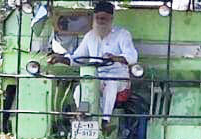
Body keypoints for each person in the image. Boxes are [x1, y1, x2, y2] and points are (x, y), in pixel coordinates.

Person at [49, 1, 138, 129]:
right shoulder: (90, 36)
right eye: (97, 18)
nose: (100, 21)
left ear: (111, 19)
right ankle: (84, 117)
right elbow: (77, 58)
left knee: (111, 83)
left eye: (104, 18)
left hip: (119, 79)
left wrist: (115, 58)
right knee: (79, 90)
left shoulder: (122, 34)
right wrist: (60, 59)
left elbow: (132, 57)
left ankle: (105, 121)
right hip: (96, 76)